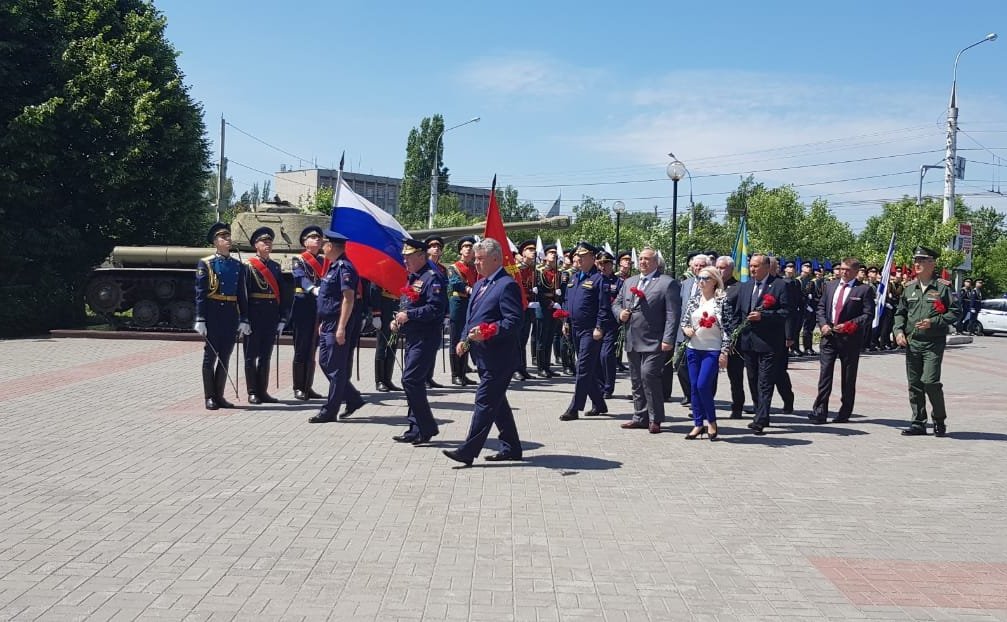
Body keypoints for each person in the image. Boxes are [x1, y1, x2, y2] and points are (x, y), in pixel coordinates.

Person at [442, 238, 524, 466]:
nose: (476, 263)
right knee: (497, 403)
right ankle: (512, 447)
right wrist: (464, 341)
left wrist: (490, 331)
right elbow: (471, 319)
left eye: (481, 259)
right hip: (482, 354)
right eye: (475, 259)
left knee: (485, 401)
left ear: (496, 259)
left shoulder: (507, 285)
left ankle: (468, 451)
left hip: (500, 357)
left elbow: (514, 321)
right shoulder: (479, 284)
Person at [893, 246, 959, 437]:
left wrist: (934, 322)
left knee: (930, 382)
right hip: (913, 343)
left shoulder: (943, 287)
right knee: (914, 384)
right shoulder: (909, 288)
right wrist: (898, 331)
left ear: (932, 263)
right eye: (916, 261)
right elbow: (900, 313)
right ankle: (918, 423)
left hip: (933, 343)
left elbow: (955, 312)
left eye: (922, 260)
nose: (917, 264)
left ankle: (939, 419)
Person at [723, 253, 790, 435]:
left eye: (756, 266)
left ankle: (760, 419)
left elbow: (785, 312)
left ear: (767, 267)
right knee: (752, 379)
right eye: (751, 265)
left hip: (769, 343)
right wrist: (733, 336)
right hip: (748, 342)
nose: (752, 269)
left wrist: (764, 316)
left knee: (765, 381)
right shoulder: (745, 287)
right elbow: (737, 313)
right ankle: (761, 412)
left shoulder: (779, 286)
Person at [614, 248, 679, 433]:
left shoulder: (667, 283)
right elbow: (616, 303)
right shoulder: (629, 282)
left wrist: (668, 338)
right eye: (640, 259)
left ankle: (655, 418)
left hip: (655, 340)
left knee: (648, 375)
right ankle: (639, 416)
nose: (642, 262)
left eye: (647, 259)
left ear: (656, 262)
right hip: (633, 339)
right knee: (636, 379)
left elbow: (672, 314)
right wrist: (620, 313)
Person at [391, 239, 448, 444]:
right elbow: (408, 302)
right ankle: (415, 429)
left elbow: (436, 309)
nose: (405, 260)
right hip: (413, 336)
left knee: (410, 380)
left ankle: (426, 427)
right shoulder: (414, 277)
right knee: (413, 382)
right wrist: (397, 319)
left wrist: (410, 315)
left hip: (426, 336)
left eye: (408, 257)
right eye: (404, 256)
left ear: (421, 256)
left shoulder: (432, 278)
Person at [810, 257, 876, 424]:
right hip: (829, 335)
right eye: (842, 269)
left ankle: (845, 411)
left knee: (848, 377)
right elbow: (821, 307)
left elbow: (868, 315)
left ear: (855, 271)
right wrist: (823, 324)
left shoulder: (863, 290)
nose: (843, 272)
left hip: (849, 338)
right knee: (825, 374)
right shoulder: (831, 286)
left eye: (847, 270)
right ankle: (820, 411)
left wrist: (849, 325)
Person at [194, 222, 247, 410]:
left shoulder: (237, 265)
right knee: (210, 357)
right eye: (223, 237)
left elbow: (242, 294)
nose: (227, 240)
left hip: (230, 314)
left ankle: (220, 396)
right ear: (215, 242)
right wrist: (200, 318)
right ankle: (209, 396)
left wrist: (244, 319)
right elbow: (200, 293)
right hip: (213, 312)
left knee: (225, 356)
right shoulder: (207, 263)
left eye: (228, 237)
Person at [308, 230, 358, 424]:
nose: (322, 247)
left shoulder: (344, 268)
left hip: (338, 322)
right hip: (328, 322)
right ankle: (353, 398)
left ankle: (330, 410)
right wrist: (323, 322)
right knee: (325, 362)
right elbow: (328, 298)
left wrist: (341, 327)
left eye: (325, 244)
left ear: (331, 246)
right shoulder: (333, 267)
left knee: (335, 368)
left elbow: (348, 299)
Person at [559, 242, 609, 421]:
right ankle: (599, 403)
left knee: (582, 368)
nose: (577, 258)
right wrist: (565, 320)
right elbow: (566, 301)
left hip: (590, 330)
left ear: (592, 258)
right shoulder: (573, 278)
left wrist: (599, 327)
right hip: (574, 328)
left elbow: (604, 307)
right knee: (585, 368)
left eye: (582, 256)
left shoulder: (599, 279)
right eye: (576, 256)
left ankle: (574, 407)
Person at [680, 266, 730, 439]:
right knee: (693, 387)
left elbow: (728, 329)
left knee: (703, 385)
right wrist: (686, 329)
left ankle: (712, 421)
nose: (701, 282)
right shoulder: (694, 299)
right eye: (699, 278)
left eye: (706, 278)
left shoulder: (722, 300)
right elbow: (685, 321)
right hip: (693, 349)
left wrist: (724, 352)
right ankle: (697, 424)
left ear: (715, 281)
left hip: (712, 349)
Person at [241, 226, 290, 404]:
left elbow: (284, 294)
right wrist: (243, 318)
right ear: (256, 245)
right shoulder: (247, 266)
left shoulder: (275, 267)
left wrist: (283, 317)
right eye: (264, 242)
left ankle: (263, 391)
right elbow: (243, 294)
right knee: (250, 355)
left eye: (269, 241)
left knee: (266, 356)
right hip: (254, 315)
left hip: (270, 316)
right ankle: (252, 392)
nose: (267, 244)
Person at [289, 226, 327, 401]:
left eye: (319, 238)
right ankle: (298, 387)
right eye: (313, 238)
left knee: (312, 348)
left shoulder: (324, 260)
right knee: (301, 349)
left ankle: (307, 386)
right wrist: (312, 288)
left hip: (318, 308)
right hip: (303, 307)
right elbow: (300, 276)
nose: (317, 240)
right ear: (305, 242)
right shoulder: (299, 259)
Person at [674, 252, 711, 406]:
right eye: (695, 265)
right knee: (679, 364)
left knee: (700, 368)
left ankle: (700, 397)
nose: (698, 268)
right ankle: (689, 394)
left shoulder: (713, 284)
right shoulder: (686, 284)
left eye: (701, 266)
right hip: (683, 332)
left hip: (704, 332)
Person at [715, 255, 746, 418]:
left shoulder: (739, 288)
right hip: (712, 337)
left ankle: (737, 406)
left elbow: (739, 315)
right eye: (718, 267)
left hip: (732, 339)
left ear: (731, 269)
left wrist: (734, 337)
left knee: (735, 375)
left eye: (723, 268)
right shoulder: (712, 286)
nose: (720, 270)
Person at [447, 236, 478, 386]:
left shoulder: (474, 267)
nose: (468, 248)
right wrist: (469, 289)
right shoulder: (454, 267)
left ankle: (463, 373)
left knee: (466, 338)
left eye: (471, 246)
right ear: (460, 250)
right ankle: (456, 375)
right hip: (458, 303)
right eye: (465, 246)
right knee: (455, 338)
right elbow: (455, 282)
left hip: (470, 304)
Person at [596, 250, 621, 399]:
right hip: (595, 323)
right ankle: (599, 385)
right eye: (600, 263)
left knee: (606, 355)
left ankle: (608, 387)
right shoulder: (594, 280)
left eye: (606, 263)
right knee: (597, 356)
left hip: (611, 323)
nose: (603, 266)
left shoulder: (618, 282)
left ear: (612, 265)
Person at [535, 244, 562, 377]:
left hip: (554, 307)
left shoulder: (557, 272)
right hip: (543, 307)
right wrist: (550, 303)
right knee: (542, 338)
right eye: (551, 252)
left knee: (550, 337)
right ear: (545, 256)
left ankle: (547, 365)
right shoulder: (539, 271)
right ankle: (541, 368)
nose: (554, 254)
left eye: (555, 253)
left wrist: (557, 302)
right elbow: (539, 292)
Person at [370, 282, 401, 392]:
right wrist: (376, 314)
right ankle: (379, 381)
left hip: (397, 307)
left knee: (393, 344)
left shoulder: (402, 271)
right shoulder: (382, 269)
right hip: (384, 308)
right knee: (382, 345)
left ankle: (388, 379)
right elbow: (374, 291)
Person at [514, 240, 538, 381]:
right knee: (516, 340)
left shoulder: (533, 269)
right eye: (529, 249)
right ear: (522, 253)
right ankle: (515, 369)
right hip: (518, 306)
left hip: (530, 306)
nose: (533, 251)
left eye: (534, 249)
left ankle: (522, 368)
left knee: (523, 339)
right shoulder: (516, 268)